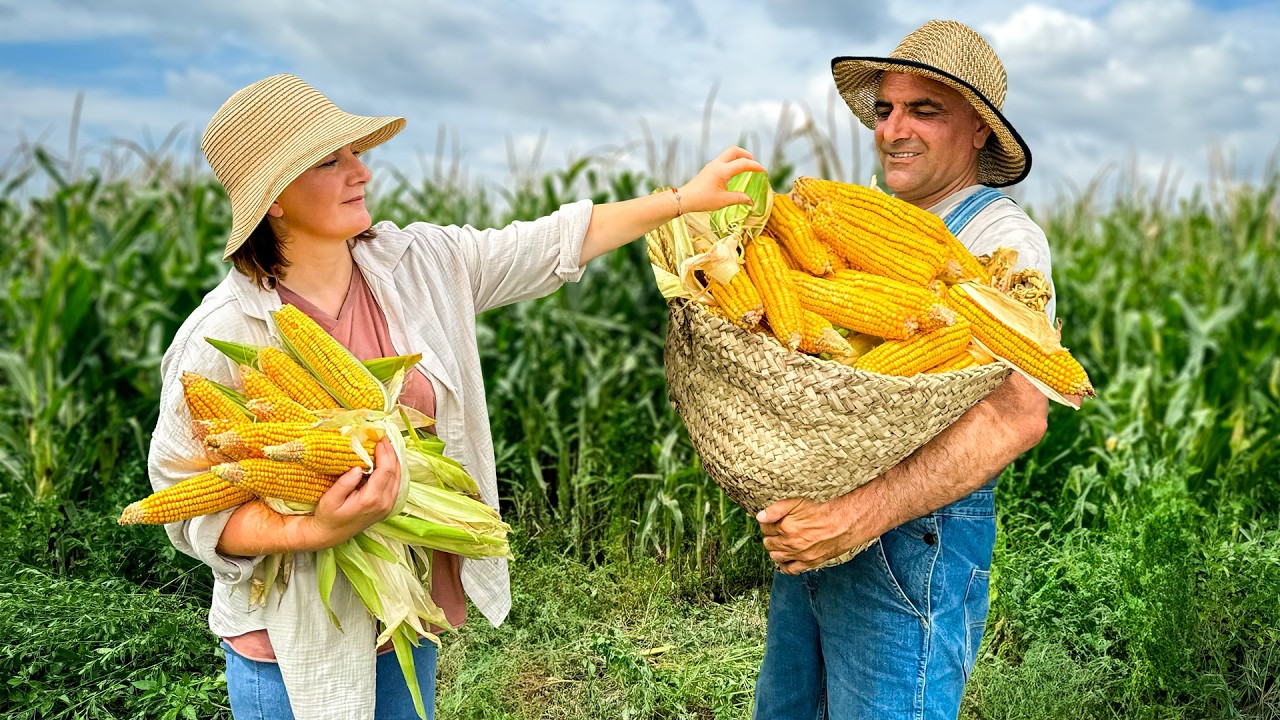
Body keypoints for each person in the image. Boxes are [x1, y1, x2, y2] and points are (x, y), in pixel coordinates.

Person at [147, 73, 764, 719]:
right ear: (273, 197)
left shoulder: (418, 264)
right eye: (332, 161)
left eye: (357, 153)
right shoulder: (218, 339)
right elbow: (192, 512)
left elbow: (553, 242)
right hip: (294, 649)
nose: (360, 172)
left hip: (406, 617)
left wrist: (680, 199)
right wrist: (314, 529)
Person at [752, 20, 1056, 720]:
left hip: (911, 537)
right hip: (819, 521)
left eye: (925, 110)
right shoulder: (862, 219)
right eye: (886, 109)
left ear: (980, 130)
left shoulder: (998, 241)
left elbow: (1017, 416)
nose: (893, 130)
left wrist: (857, 515)